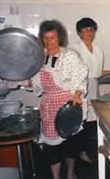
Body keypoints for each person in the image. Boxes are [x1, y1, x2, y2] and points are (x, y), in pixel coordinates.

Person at [32, 20, 88, 179]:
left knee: (70, 145)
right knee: (52, 149)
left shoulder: (69, 56)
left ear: (59, 38)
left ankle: (70, 172)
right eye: (45, 38)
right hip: (49, 106)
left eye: (53, 38)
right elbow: (34, 81)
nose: (49, 42)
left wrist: (77, 94)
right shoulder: (39, 57)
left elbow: (81, 76)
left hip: (67, 105)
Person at [71, 17, 110, 163]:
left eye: (92, 30)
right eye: (85, 30)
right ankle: (79, 152)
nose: (89, 33)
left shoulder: (98, 50)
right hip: (78, 87)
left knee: (92, 120)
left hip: (93, 86)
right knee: (80, 121)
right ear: (79, 32)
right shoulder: (74, 50)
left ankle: (90, 150)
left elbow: (98, 72)